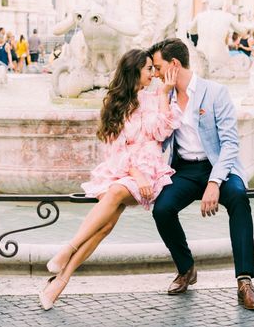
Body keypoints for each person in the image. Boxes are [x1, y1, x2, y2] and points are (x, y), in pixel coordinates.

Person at [38, 48, 180, 310]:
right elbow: (115, 149)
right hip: (124, 170)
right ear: (134, 70)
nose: (153, 73)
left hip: (150, 170)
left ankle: (67, 249)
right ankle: (60, 281)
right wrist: (134, 173)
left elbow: (161, 131)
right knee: (104, 227)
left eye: (153, 68)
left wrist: (163, 95)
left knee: (115, 193)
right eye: (148, 68)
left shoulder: (154, 97)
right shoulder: (114, 102)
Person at [149, 37, 254, 311]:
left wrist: (215, 182)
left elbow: (230, 145)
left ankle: (245, 281)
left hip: (217, 165)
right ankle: (186, 268)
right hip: (185, 168)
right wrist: (164, 97)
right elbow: (160, 138)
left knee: (237, 196)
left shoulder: (216, 92)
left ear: (173, 65)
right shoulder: (164, 96)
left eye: (157, 67)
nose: (154, 73)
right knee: (162, 209)